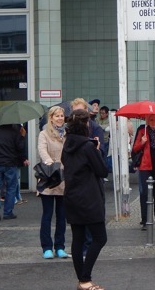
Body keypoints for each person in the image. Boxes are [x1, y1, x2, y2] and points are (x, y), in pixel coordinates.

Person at [62, 109, 108, 290]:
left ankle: (83, 281)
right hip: (89, 198)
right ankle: (85, 278)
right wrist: (97, 151)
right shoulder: (88, 147)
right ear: (85, 125)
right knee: (100, 237)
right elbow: (102, 170)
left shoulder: (67, 145)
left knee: (78, 239)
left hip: (72, 196)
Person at [37, 106, 68, 259]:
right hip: (49, 178)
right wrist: (50, 163)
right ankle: (47, 247)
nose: (60, 118)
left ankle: (60, 246)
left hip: (64, 179)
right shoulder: (44, 134)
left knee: (62, 215)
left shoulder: (67, 134)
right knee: (47, 215)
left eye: (62, 115)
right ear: (51, 117)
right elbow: (42, 151)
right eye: (57, 116)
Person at [0, 122, 29, 221]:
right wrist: (22, 137)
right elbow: (20, 148)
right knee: (11, 187)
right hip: (11, 163)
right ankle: (8, 212)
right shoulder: (15, 132)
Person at [131, 114, 155, 230]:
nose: (153, 121)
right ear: (147, 120)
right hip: (145, 165)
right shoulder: (142, 130)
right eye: (151, 119)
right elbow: (135, 149)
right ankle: (145, 219)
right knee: (144, 192)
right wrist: (142, 142)